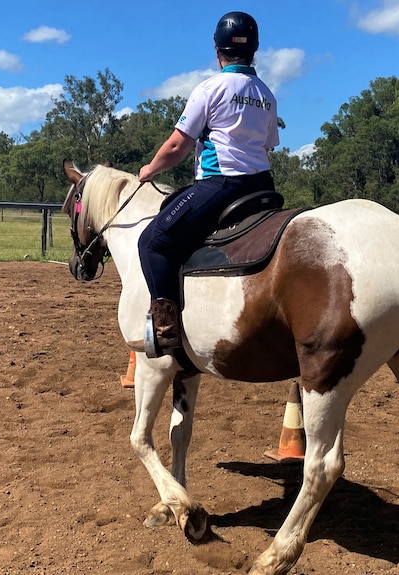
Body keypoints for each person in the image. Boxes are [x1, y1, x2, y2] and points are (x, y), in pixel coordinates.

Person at [135, 11, 279, 358]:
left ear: (218, 52)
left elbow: (176, 147)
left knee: (152, 242)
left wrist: (149, 170)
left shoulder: (210, 88)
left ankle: (166, 331)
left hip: (221, 185)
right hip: (262, 188)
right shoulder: (266, 94)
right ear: (254, 51)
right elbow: (268, 145)